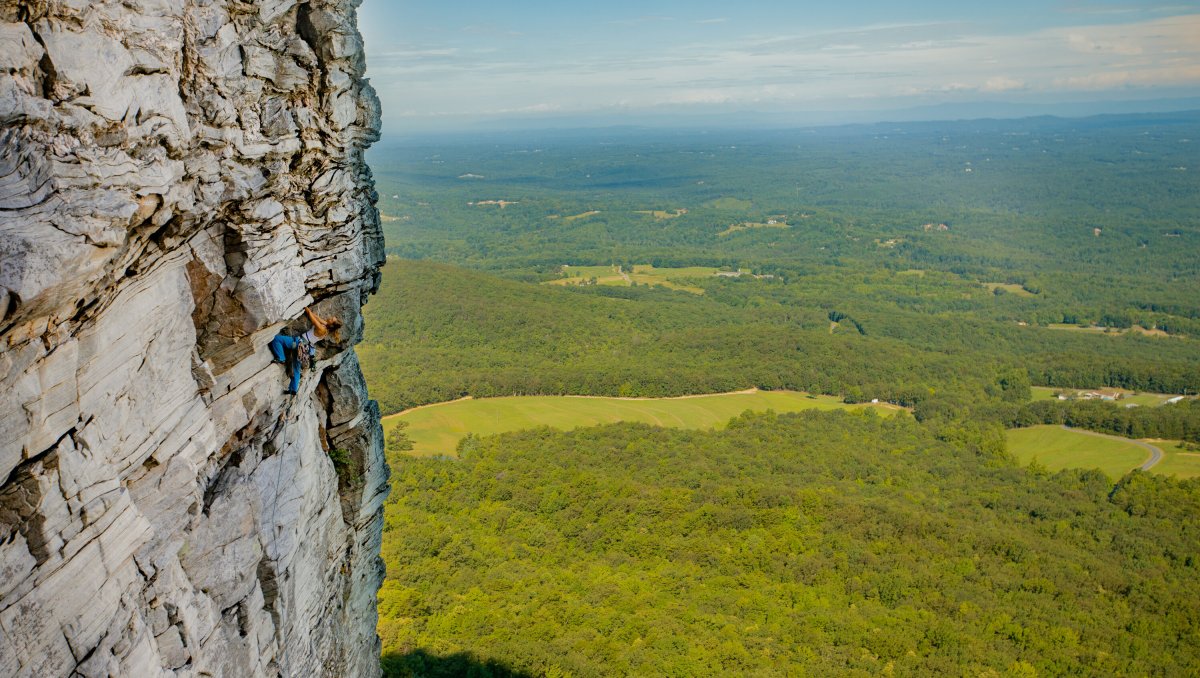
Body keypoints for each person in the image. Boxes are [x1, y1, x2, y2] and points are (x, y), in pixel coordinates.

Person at [269, 307, 343, 395]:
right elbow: (317, 317)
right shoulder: (326, 326)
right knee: (296, 368)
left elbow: (313, 318)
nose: (330, 318)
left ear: (331, 324)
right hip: (304, 348)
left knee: (276, 339)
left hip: (298, 343)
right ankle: (293, 390)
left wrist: (306, 309)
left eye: (331, 319)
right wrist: (310, 312)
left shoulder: (322, 329)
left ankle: (281, 357)